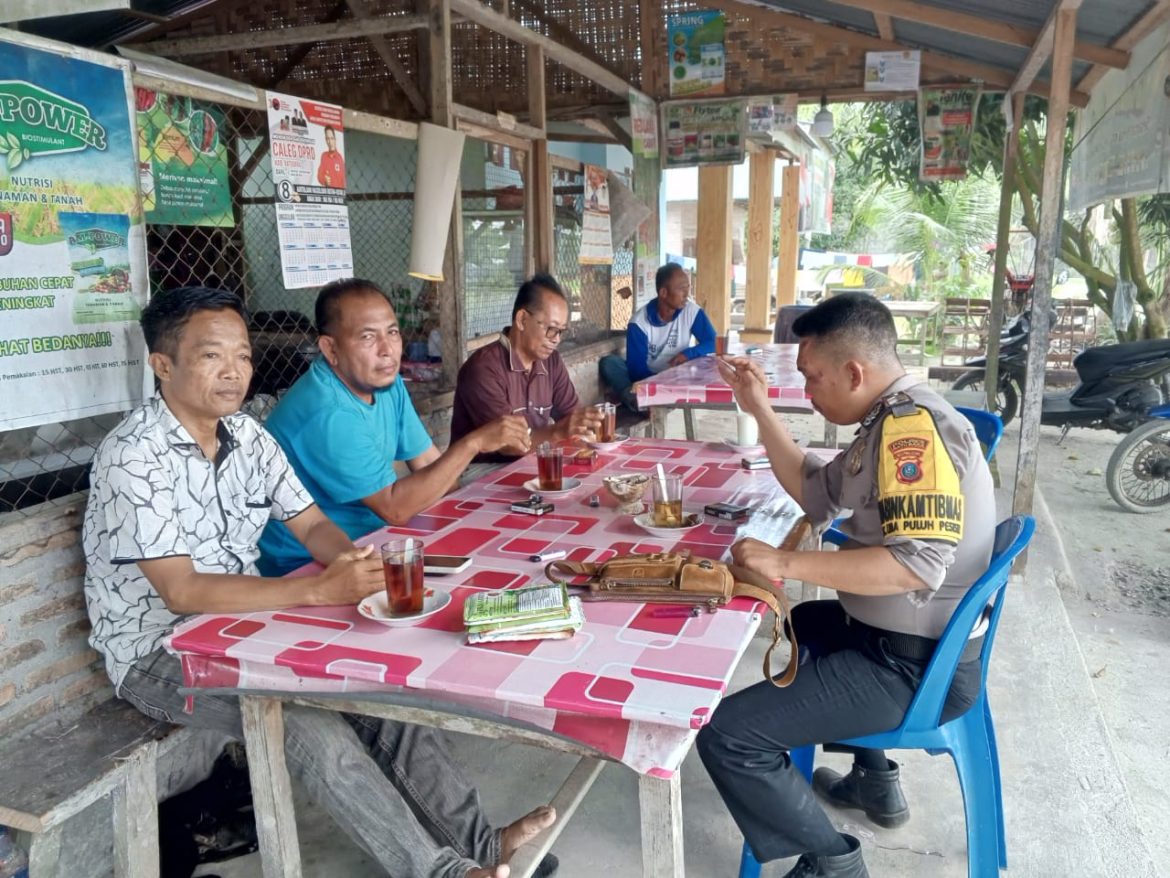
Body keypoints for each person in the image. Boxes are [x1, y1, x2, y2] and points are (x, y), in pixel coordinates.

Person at [83, 286, 556, 878]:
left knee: (376, 684)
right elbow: (182, 591)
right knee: (307, 726)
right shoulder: (133, 458)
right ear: (163, 364)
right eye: (211, 356)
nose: (234, 373)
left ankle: (482, 846)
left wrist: (352, 568)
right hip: (157, 652)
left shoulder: (248, 438)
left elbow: (309, 524)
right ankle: (441, 873)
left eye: (243, 355)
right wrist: (314, 590)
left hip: (242, 625)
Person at [697, 293, 996, 878]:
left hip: (913, 665)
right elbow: (815, 491)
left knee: (729, 735)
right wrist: (759, 410)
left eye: (812, 378)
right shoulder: (885, 419)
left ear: (854, 372)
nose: (806, 391)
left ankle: (835, 863)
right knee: (803, 624)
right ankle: (874, 779)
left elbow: (916, 565)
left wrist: (787, 566)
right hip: (895, 639)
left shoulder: (913, 433)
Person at [258, 278, 530, 575]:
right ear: (330, 348)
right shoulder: (328, 410)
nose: (387, 350)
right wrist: (473, 443)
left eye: (393, 332)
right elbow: (395, 508)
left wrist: (460, 526)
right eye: (367, 337)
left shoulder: (385, 382)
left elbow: (427, 462)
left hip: (373, 538)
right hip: (304, 562)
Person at [450, 274, 603, 462]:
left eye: (561, 331)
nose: (556, 339)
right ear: (522, 320)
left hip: (531, 462)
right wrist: (558, 431)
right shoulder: (483, 368)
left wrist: (583, 426)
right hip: (483, 471)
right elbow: (510, 446)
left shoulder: (551, 361)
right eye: (551, 329)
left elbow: (571, 416)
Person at [598, 261, 716, 411]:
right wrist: (658, 384)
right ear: (663, 293)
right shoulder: (639, 323)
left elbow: (713, 342)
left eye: (688, 288)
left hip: (678, 378)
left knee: (706, 362)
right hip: (648, 379)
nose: (687, 294)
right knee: (609, 363)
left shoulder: (691, 311)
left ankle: (636, 401)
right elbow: (637, 372)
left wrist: (688, 354)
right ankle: (638, 399)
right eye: (681, 289)